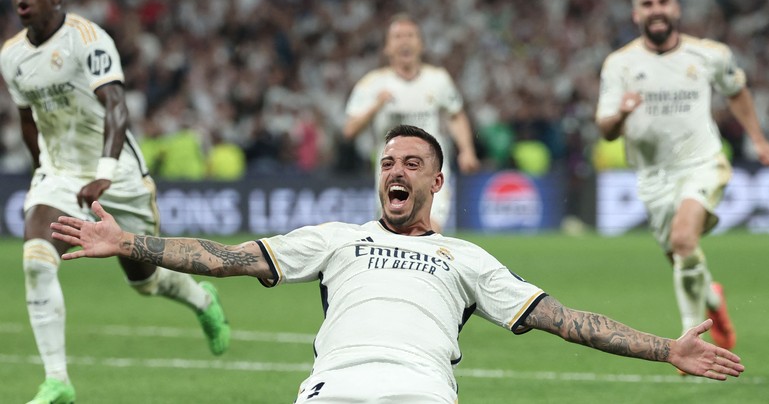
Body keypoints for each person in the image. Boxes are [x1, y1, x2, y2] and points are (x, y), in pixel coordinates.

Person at [52, 125, 743, 403]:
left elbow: (565, 320)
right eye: (387, 163)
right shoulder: (334, 239)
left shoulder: (466, 259)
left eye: (412, 163)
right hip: (333, 390)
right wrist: (129, 244)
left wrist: (665, 349)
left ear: (436, 181)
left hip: (420, 392)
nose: (396, 171)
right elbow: (228, 259)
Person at [0, 0, 231, 404]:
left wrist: (104, 174)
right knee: (36, 261)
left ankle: (202, 300)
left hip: (118, 176)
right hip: (60, 174)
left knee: (146, 280)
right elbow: (28, 119)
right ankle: (58, 381)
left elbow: (117, 107)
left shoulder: (88, 39)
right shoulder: (11, 55)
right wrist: (42, 171)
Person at [595, 0, 769, 356]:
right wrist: (621, 114)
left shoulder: (709, 54)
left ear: (676, 8)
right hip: (653, 177)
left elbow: (737, 91)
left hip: (702, 163)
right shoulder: (620, 64)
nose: (656, 10)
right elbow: (605, 129)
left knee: (684, 239)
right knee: (681, 255)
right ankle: (713, 299)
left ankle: (691, 342)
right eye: (647, 4)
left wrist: (758, 139)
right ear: (635, 13)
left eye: (663, 2)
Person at [343, 13, 480, 232]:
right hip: (392, 171)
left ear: (421, 44)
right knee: (395, 232)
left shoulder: (438, 79)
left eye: (410, 35)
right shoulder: (372, 84)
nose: (404, 41)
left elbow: (455, 115)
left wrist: (467, 151)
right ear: (387, 47)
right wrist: (376, 105)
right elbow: (349, 130)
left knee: (429, 229)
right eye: (398, 36)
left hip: (430, 168)